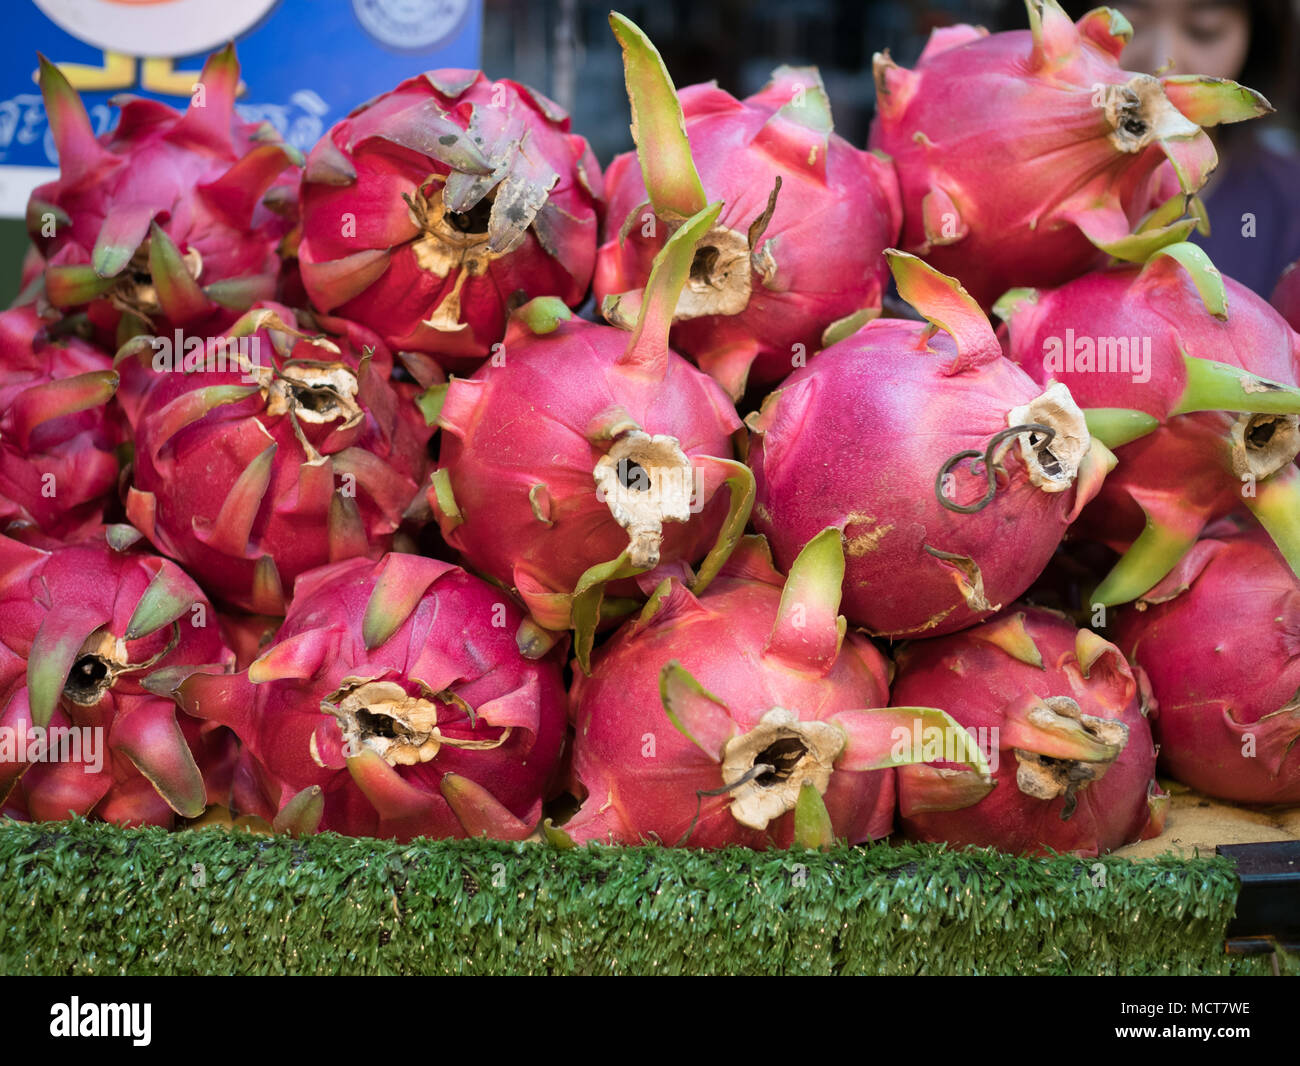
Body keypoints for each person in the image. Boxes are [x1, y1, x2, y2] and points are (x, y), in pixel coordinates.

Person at [1064, 0, 1300, 296]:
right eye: (1128, 24)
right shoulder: (1027, 194)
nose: (1163, 65)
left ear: (1258, 36)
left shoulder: (1291, 207)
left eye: (1204, 30)